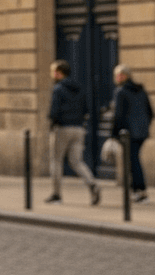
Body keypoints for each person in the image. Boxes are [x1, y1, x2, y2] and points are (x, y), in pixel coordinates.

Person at [46, 60, 100, 205]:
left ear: (58, 73)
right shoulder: (79, 88)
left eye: (53, 71)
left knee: (56, 161)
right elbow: (86, 109)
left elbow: (53, 111)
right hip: (78, 129)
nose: (52, 74)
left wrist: (53, 122)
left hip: (62, 128)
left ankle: (57, 194)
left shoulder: (58, 89)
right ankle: (92, 184)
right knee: (77, 161)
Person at [111, 64, 154, 203]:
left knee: (133, 161)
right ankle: (136, 190)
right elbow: (151, 113)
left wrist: (114, 134)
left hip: (129, 133)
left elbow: (118, 116)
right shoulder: (141, 90)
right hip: (141, 132)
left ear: (127, 76)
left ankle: (140, 191)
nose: (118, 77)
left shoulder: (121, 91)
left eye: (121, 75)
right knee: (133, 160)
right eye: (117, 75)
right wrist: (144, 126)